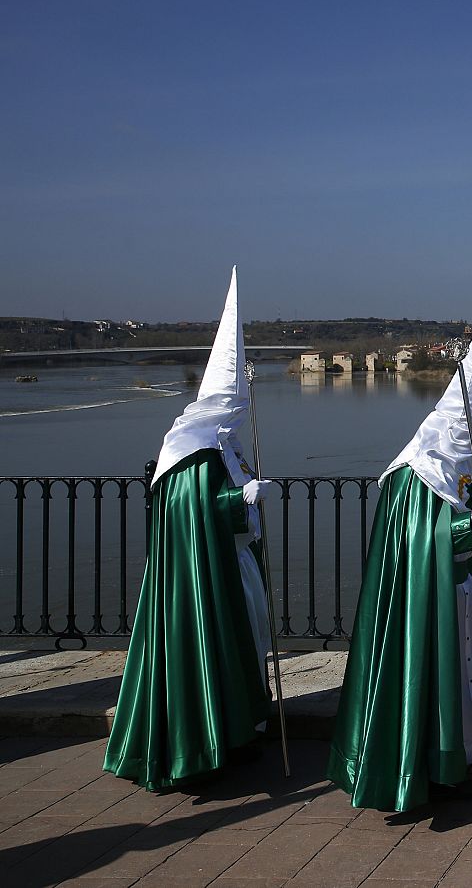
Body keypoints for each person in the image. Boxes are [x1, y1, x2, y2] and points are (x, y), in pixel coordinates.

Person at [327, 288, 472, 812]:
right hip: (423, 601)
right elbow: (418, 541)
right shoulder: (416, 475)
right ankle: (424, 764)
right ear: (453, 429)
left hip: (454, 590)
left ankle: (462, 751)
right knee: (431, 673)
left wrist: (467, 522)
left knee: (461, 673)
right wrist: (468, 527)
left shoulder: (448, 472)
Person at [105, 268, 274, 791]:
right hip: (200, 576)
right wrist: (238, 500)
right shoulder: (190, 454)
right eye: (237, 402)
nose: (243, 410)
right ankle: (202, 744)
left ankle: (241, 728)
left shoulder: (225, 446)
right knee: (211, 645)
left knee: (246, 640)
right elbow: (191, 513)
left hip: (234, 567)